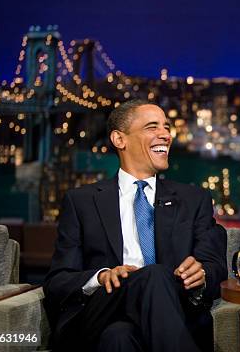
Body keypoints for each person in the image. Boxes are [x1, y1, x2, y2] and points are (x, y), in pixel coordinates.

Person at [43, 100, 227, 352]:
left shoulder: (194, 200)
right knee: (152, 275)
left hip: (168, 312)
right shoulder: (82, 201)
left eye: (166, 127)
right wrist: (100, 277)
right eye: (152, 127)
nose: (165, 134)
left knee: (119, 337)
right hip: (102, 308)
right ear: (120, 139)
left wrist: (203, 274)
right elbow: (57, 281)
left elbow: (216, 268)